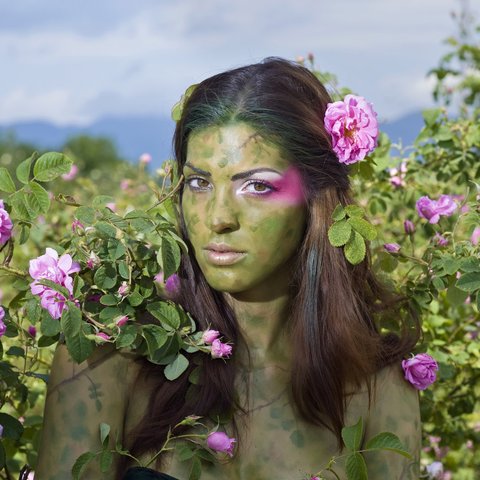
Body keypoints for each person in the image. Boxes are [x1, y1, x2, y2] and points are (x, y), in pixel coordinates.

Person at [36, 58, 421, 479]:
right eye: (199, 183)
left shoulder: (377, 385)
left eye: (257, 185)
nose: (218, 217)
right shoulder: (108, 356)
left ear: (315, 199)